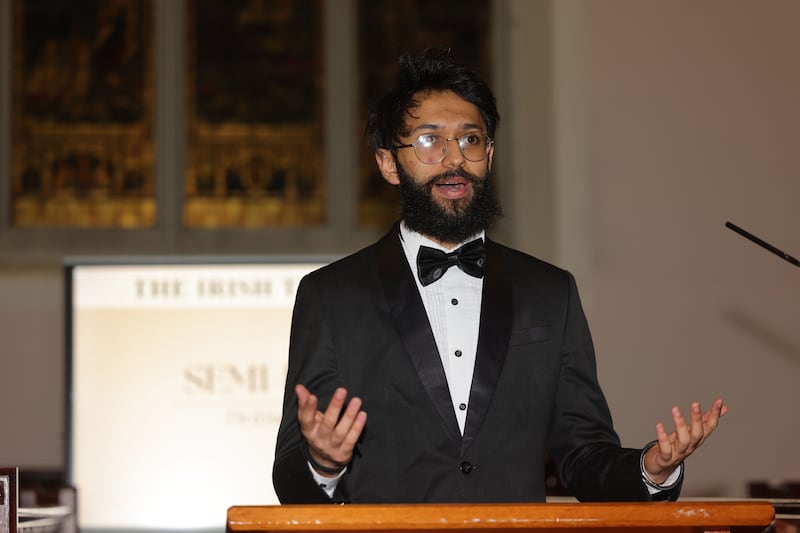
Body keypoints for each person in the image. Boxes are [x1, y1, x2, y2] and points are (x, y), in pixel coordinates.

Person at [273, 48, 726, 504]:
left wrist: (650, 471)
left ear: (488, 155)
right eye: (430, 141)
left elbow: (585, 456)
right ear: (389, 163)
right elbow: (289, 478)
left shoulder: (550, 291)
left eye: (470, 140)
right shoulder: (332, 295)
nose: (455, 159)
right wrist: (324, 464)